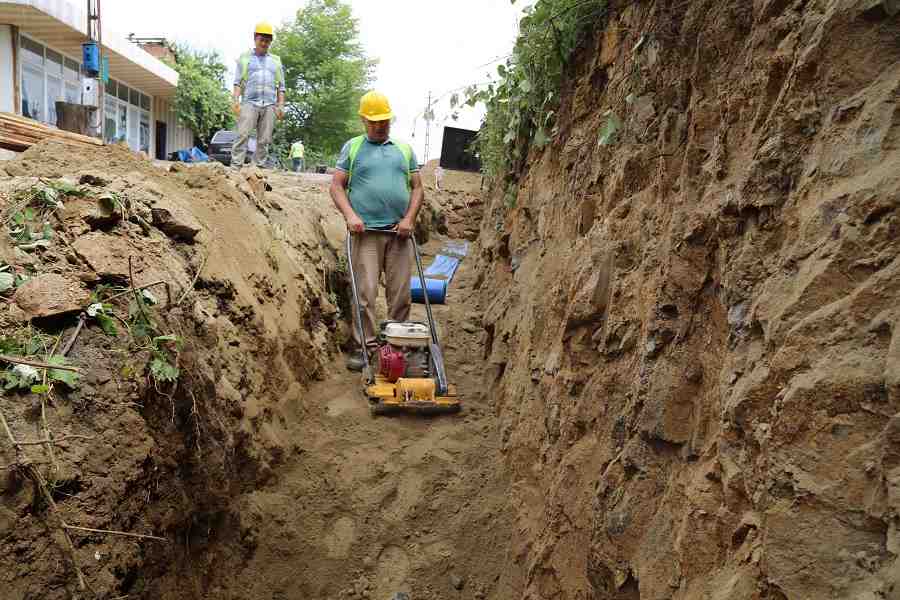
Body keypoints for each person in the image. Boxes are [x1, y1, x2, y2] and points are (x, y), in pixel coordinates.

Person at [330, 91, 424, 371]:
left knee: (400, 295)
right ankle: (364, 347)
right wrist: (350, 215)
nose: (379, 126)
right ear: (363, 120)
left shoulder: (404, 149)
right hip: (365, 233)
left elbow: (418, 187)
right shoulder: (353, 148)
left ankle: (395, 347)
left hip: (400, 233)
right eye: (373, 122)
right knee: (365, 293)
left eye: (384, 121)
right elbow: (336, 186)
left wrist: (409, 219)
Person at [231, 22, 286, 168]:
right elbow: (238, 82)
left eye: (267, 41)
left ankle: (258, 170)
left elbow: (281, 87)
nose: (264, 43)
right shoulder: (245, 58)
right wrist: (235, 100)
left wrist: (281, 106)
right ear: (255, 38)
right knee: (242, 135)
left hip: (269, 105)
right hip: (249, 102)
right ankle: (236, 168)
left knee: (265, 139)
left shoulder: (276, 61)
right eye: (262, 39)